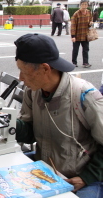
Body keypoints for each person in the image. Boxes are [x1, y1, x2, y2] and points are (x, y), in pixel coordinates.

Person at [14, 33, 103, 198]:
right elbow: (29, 134)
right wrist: (10, 124)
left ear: (45, 68)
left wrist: (86, 177)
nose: (20, 79)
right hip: (45, 170)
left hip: (82, 177)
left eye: (23, 72)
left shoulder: (84, 95)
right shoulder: (32, 92)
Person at [71, 0, 93, 68]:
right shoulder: (76, 13)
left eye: (86, 4)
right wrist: (73, 36)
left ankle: (85, 63)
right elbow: (73, 25)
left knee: (86, 49)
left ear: (87, 5)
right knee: (75, 50)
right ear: (80, 5)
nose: (84, 5)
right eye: (83, 4)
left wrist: (90, 23)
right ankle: (74, 62)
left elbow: (90, 23)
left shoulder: (89, 12)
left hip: (85, 35)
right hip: (77, 35)